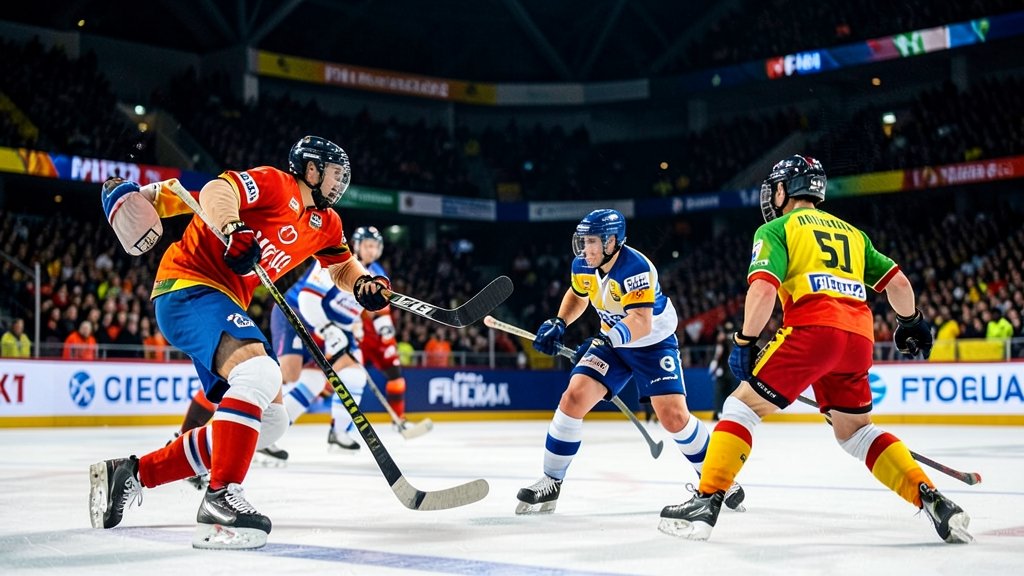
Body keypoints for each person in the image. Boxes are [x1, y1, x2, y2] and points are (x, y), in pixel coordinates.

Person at [88, 135, 391, 550]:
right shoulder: (276, 183)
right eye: (335, 174)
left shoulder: (328, 223)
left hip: (222, 301)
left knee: (272, 422)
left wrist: (365, 285)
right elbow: (216, 189)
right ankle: (219, 500)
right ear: (311, 169)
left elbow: (341, 266)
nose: (340, 184)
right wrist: (234, 228)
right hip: (189, 284)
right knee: (259, 371)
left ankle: (133, 473)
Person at [658, 155, 972, 544]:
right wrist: (911, 322)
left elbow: (763, 289)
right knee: (857, 432)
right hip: (858, 339)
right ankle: (932, 499)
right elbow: (900, 284)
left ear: (783, 190)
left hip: (811, 330)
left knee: (741, 407)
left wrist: (744, 340)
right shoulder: (853, 234)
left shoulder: (776, 228)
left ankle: (707, 501)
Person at [519, 209, 744, 514]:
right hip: (612, 340)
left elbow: (641, 321)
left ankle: (719, 478)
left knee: (674, 417)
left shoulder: (635, 267)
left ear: (612, 242)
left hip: (652, 343)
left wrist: (605, 339)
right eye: (584, 241)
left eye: (593, 242)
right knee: (573, 397)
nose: (586, 249)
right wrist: (560, 322)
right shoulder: (584, 263)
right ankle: (551, 480)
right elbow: (579, 295)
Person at [352, 226, 409, 419]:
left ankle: (399, 419)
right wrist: (351, 324)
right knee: (346, 378)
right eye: (368, 246)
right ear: (357, 246)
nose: (372, 251)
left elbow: (382, 307)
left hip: (375, 336)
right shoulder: (346, 266)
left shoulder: (378, 271)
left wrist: (386, 329)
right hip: (352, 333)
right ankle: (340, 425)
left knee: (396, 376)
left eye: (375, 246)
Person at [708, 320, 738, 420]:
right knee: (720, 393)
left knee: (731, 393)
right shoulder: (720, 343)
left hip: (731, 371)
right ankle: (718, 412)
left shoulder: (732, 341)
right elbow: (717, 356)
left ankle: (730, 413)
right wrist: (716, 366)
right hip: (722, 371)